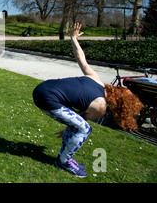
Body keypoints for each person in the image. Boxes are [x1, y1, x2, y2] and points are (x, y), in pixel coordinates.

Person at [32, 23, 144, 178]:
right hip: (47, 98)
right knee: (85, 129)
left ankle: (65, 157)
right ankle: (63, 161)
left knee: (79, 126)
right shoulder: (101, 108)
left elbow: (81, 58)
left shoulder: (96, 79)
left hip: (42, 87)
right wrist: (68, 129)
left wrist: (73, 38)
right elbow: (79, 122)